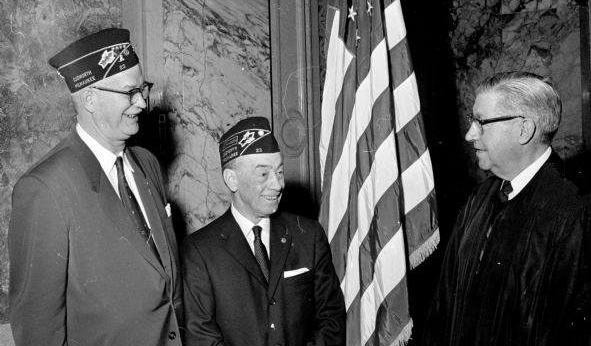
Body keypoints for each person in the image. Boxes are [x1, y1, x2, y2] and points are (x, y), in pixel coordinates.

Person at [9, 28, 183, 346]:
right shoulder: (45, 188)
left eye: (143, 89)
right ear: (90, 98)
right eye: (129, 92)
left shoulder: (147, 164)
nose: (142, 104)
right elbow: (38, 331)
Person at [423, 71, 591, 346]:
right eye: (473, 121)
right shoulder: (480, 198)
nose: (470, 134)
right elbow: (443, 308)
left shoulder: (579, 212)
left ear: (524, 129)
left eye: (481, 123)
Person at [181, 116, 346, 346]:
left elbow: (331, 318)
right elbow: (201, 337)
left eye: (279, 172)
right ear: (232, 180)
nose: (278, 185)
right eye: (263, 174)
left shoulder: (309, 235)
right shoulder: (199, 251)